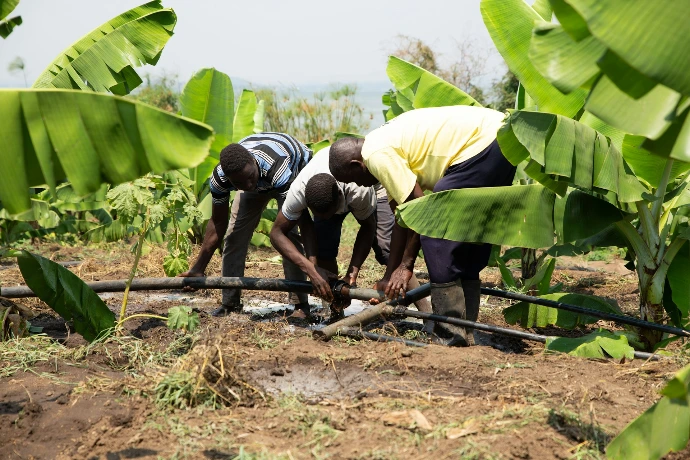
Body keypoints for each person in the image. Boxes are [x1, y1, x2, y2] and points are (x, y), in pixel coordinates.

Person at [328, 106, 516, 346]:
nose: (360, 185)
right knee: (466, 235)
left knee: (436, 237)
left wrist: (406, 266)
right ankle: (466, 334)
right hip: (501, 137)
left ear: (357, 164)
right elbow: (403, 218)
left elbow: (422, 212)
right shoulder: (380, 142)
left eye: (354, 179)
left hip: (483, 143)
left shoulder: (377, 156)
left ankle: (450, 336)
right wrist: (389, 274)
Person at [270, 146, 432, 323]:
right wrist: (312, 269)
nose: (328, 218)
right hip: (326, 190)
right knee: (323, 250)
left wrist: (352, 274)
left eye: (330, 214)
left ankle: (428, 314)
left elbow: (368, 228)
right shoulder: (299, 191)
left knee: (387, 248)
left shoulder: (358, 189)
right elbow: (276, 233)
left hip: (374, 186)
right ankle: (336, 311)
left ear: (340, 199)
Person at [179, 133, 312, 316]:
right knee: (234, 236)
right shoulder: (221, 179)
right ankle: (230, 303)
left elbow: (300, 220)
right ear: (229, 178)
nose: (248, 185)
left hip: (293, 171)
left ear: (253, 160)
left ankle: (300, 304)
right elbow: (218, 222)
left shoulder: (277, 166)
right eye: (239, 183)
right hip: (262, 176)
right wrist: (198, 268)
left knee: (288, 235)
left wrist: (312, 266)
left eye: (249, 177)